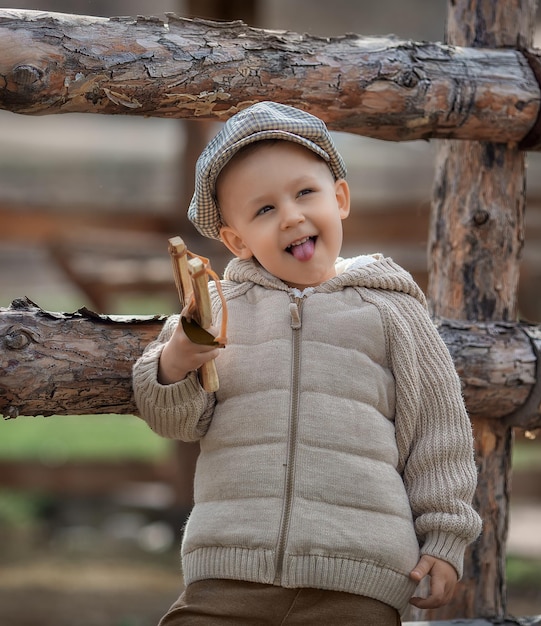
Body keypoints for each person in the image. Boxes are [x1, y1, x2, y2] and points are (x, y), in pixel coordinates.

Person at [133, 101, 482, 625]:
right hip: (229, 572)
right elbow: (174, 419)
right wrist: (176, 360)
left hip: (359, 577)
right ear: (235, 240)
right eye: (264, 210)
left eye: (304, 193)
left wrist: (445, 537)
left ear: (339, 198)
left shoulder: (390, 310)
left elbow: (439, 430)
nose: (292, 215)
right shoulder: (215, 311)